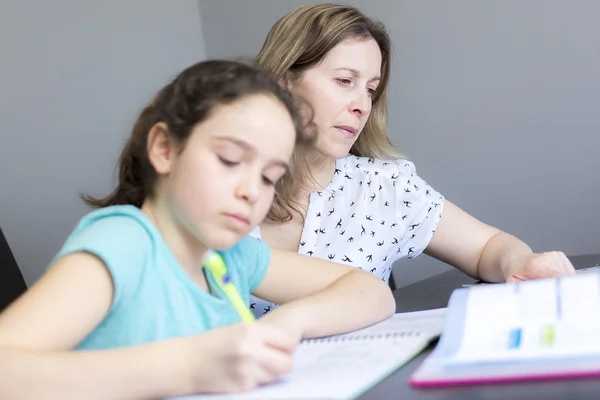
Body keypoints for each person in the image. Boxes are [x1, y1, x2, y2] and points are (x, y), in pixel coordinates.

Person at [0, 60, 395, 399]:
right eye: (228, 159)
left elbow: (371, 292)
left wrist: (287, 324)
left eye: (269, 177)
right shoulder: (122, 245)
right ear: (165, 149)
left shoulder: (228, 255)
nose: (251, 192)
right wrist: (189, 366)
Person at [248, 3, 576, 316]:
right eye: (345, 81)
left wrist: (518, 263)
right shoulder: (215, 185)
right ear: (283, 81)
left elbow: (488, 246)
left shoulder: (385, 188)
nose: (362, 104)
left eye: (371, 90)